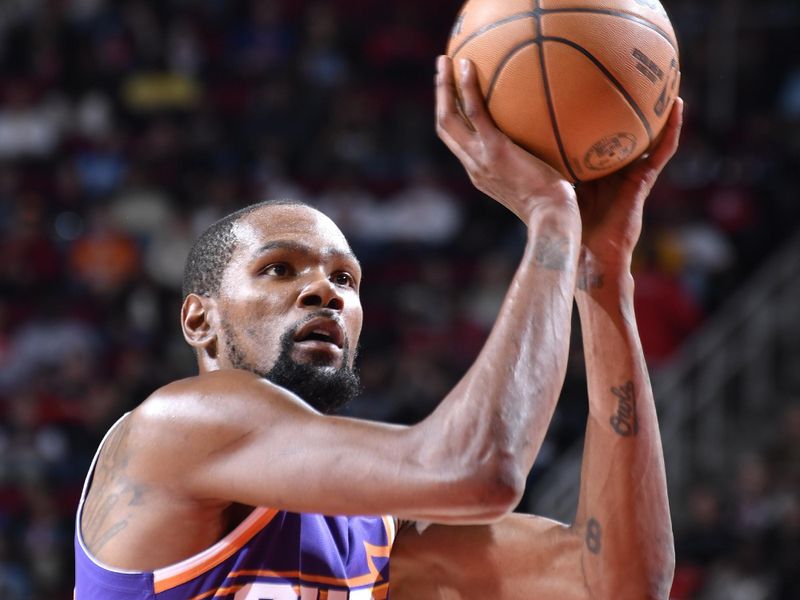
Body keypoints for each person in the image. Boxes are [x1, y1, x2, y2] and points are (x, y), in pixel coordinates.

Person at [74, 55, 683, 599]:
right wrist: (552, 217)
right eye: (279, 268)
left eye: (346, 280)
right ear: (198, 319)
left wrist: (602, 273)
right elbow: (479, 470)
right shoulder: (174, 428)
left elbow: (618, 582)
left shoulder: (375, 534)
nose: (323, 291)